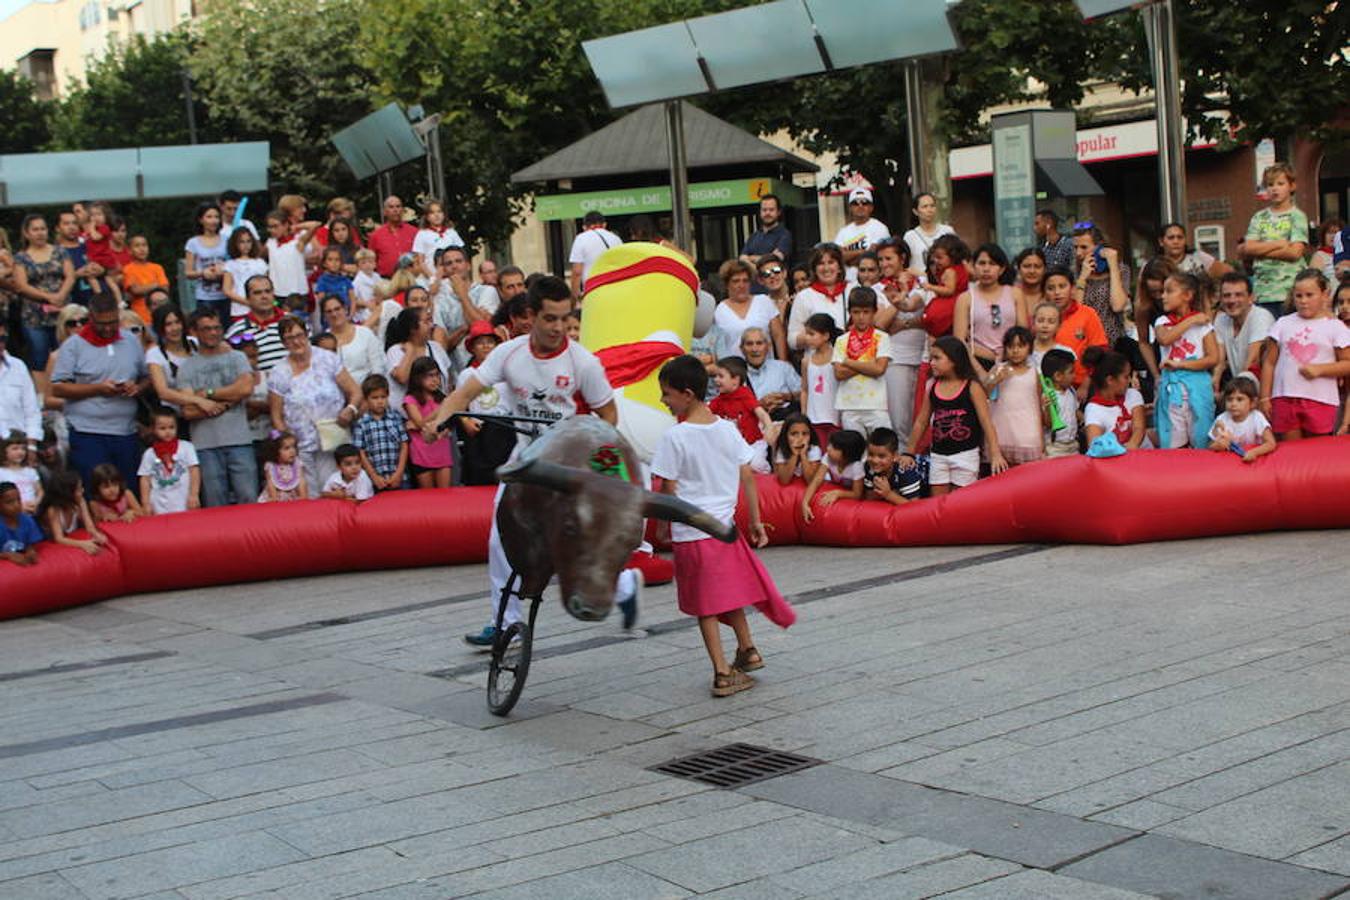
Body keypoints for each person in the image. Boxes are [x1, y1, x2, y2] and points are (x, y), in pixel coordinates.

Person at [423, 275, 639, 644]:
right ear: (531, 316)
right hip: (525, 460)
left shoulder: (583, 362)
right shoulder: (509, 354)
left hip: (569, 466)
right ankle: (504, 624)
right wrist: (440, 419)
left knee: (572, 540)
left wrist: (600, 469)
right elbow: (464, 394)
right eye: (550, 319)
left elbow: (609, 419)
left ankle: (622, 584)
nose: (559, 328)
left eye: (564, 318)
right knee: (498, 542)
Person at [651, 354, 794, 698]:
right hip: (725, 530)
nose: (663, 401)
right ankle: (747, 649)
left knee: (707, 606)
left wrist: (660, 528)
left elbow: (667, 488)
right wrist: (756, 521)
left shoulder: (676, 436)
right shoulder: (726, 429)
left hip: (692, 532)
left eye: (666, 394)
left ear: (686, 394)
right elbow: (747, 474)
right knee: (729, 593)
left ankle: (721, 672)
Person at [49, 294, 147, 488]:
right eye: (102, 323)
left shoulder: (130, 340)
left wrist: (137, 387)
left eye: (113, 322)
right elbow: (58, 387)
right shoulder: (73, 345)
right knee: (96, 492)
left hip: (126, 430)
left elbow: (146, 377)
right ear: (91, 318)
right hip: (88, 432)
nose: (109, 328)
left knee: (128, 491)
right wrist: (98, 389)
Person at [268, 316, 362, 493]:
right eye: (290, 338)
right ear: (283, 343)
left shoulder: (328, 359)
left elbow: (355, 392)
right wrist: (287, 446)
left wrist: (350, 410)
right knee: (309, 497)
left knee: (336, 492)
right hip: (300, 448)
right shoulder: (278, 372)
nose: (297, 341)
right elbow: (276, 416)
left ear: (307, 334)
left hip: (334, 442)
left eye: (300, 335)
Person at [902, 336, 1006, 495]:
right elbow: (921, 423)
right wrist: (909, 452)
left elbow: (986, 422)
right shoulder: (932, 387)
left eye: (937, 358)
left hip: (966, 455)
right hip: (938, 455)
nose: (932, 363)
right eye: (931, 358)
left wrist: (995, 453)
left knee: (961, 502)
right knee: (937, 503)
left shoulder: (972, 387)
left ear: (954, 360)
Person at [176, 307, 258, 507]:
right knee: (215, 504)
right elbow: (188, 410)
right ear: (194, 332)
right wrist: (230, 400)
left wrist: (208, 395)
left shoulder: (237, 357)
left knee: (249, 498)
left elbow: (246, 388)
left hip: (240, 439)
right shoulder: (186, 367)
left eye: (217, 328)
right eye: (206, 329)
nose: (213, 333)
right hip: (205, 445)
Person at [1260, 269, 1350, 440]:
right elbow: (1269, 363)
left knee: (1317, 454)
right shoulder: (1282, 323)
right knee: (1292, 454)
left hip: (1320, 399)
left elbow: (1347, 363)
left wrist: (1320, 370)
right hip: (1284, 397)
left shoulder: (1335, 326)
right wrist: (1265, 397)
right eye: (1299, 296)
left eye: (1310, 295)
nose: (1303, 301)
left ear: (1325, 294)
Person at [1154, 272, 1219, 449]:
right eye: (1163, 291)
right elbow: (1165, 339)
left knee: (1201, 437)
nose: (1163, 296)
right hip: (1171, 390)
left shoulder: (1203, 326)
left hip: (1197, 388)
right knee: (1173, 441)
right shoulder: (1163, 321)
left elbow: (1213, 358)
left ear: (1187, 296)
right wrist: (1191, 320)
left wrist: (1181, 364)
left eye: (1169, 291)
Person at [1242, 163, 1310, 316]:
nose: (1274, 188)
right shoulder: (1259, 217)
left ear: (1291, 186)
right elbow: (1249, 248)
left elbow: (1295, 253)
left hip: (1289, 292)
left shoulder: (1297, 216)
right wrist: (1279, 244)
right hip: (1262, 293)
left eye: (1280, 184)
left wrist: (1261, 249)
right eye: (1270, 185)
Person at [454, 320, 514, 486]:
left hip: (506, 426)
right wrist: (465, 421)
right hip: (481, 429)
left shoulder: (508, 371)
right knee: (482, 478)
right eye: (480, 343)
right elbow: (458, 403)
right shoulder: (467, 374)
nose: (486, 346)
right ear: (472, 348)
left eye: (490, 342)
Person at [11, 214, 75, 370]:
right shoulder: (20, 257)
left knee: (66, 356)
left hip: (63, 313)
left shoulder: (60, 252)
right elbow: (21, 286)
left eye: (43, 229)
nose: (40, 233)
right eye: (35, 229)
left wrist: (60, 295)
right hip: (35, 317)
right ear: (27, 233)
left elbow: (70, 276)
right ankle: (41, 393)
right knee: (40, 359)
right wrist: (48, 297)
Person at [955, 243, 1023, 380]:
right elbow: (959, 340)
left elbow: (1023, 332)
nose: (986, 269)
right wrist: (980, 372)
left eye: (992, 264)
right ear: (974, 266)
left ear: (1002, 269)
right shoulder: (965, 298)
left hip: (1012, 359)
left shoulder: (1015, 294)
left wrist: (1012, 356)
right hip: (977, 360)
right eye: (981, 263)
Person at [832, 287, 892, 436]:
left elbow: (879, 370)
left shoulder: (882, 337)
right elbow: (839, 373)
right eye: (856, 312)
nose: (861, 317)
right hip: (849, 405)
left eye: (866, 312)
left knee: (882, 446)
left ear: (874, 311)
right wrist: (868, 365)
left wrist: (848, 362)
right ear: (850, 312)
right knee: (854, 451)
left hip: (876, 405)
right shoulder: (841, 340)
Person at [1047, 266, 1108, 393]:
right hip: (1052, 388)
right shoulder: (1043, 317)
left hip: (1084, 385)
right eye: (1051, 288)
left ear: (1073, 289)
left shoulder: (1087, 314)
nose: (1057, 292)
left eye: (1062, 286)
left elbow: (1100, 350)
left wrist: (1086, 384)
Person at [988, 327, 1043, 466]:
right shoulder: (998, 369)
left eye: (1021, 346)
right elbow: (985, 394)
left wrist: (1041, 438)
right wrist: (995, 380)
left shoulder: (1035, 373)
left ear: (1029, 348)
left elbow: (1039, 405)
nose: (1015, 350)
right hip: (1001, 434)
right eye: (1011, 346)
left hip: (1027, 435)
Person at [714, 259, 786, 360]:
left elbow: (778, 335)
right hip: (734, 371)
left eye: (745, 280)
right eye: (736, 281)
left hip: (766, 369)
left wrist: (783, 363)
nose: (741, 285)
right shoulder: (719, 311)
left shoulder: (764, 301)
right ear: (727, 284)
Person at [1212, 272, 1274, 389]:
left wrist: (1231, 393)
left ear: (1251, 298)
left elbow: (1252, 363)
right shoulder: (1221, 320)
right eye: (1227, 295)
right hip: (1242, 387)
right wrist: (1214, 386)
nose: (1232, 300)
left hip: (1263, 389)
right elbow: (1219, 363)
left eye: (1238, 295)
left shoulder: (1261, 317)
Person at [1072, 223, 1130, 346]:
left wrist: (1113, 267)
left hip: (1113, 341)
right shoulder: (1074, 273)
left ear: (1100, 247)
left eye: (1084, 247)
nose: (1078, 253)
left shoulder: (1121, 270)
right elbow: (1074, 310)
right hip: (1084, 341)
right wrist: (1082, 277)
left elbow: (1118, 305)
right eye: (1075, 247)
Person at [385, 306, 452, 410]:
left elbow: (448, 381)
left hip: (437, 414)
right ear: (412, 328)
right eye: (426, 322)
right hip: (406, 418)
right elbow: (402, 378)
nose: (432, 326)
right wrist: (410, 352)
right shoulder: (395, 351)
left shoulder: (436, 347)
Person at [787, 244, 853, 350]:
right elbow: (792, 340)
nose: (826, 268)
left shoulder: (853, 290)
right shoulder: (804, 297)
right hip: (818, 361)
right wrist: (814, 337)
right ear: (814, 269)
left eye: (831, 262)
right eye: (821, 263)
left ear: (840, 267)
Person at [402, 356, 453, 488]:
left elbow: (447, 424)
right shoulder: (410, 399)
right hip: (421, 453)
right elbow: (420, 424)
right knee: (427, 497)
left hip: (442, 451)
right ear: (417, 378)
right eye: (429, 376)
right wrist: (442, 409)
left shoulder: (442, 398)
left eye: (437, 375)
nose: (435, 379)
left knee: (445, 495)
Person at [137, 407, 200, 514]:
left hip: (184, 502)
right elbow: (145, 479)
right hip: (159, 505)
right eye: (162, 428)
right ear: (153, 429)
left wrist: (194, 494)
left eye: (171, 427)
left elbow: (194, 471)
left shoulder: (187, 447)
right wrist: (146, 503)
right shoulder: (149, 453)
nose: (168, 431)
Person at [1083, 347, 1147, 450]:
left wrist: (1132, 444)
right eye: (1126, 377)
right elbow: (1094, 445)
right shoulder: (1093, 409)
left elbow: (1139, 428)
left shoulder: (1133, 395)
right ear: (1110, 380)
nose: (1129, 380)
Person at [352, 374, 407, 492]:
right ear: (366, 400)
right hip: (374, 481)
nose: (380, 401)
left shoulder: (396, 418)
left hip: (399, 478)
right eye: (375, 398)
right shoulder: (361, 423)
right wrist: (374, 476)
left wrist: (399, 473)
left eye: (383, 397)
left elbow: (404, 445)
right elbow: (360, 452)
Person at [800, 429, 866, 521]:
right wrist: (805, 502)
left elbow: (857, 494)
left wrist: (838, 493)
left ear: (847, 454)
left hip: (849, 492)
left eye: (834, 447)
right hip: (836, 484)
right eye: (830, 444)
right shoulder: (828, 457)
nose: (828, 448)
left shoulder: (856, 466)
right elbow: (817, 480)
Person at [263, 211, 319, 317]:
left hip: (298, 294)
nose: (272, 230)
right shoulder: (270, 243)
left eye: (276, 226)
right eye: (270, 227)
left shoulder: (297, 242)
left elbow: (315, 225)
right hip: (278, 294)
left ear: (285, 225)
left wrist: (296, 227)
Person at [225, 276, 287, 372]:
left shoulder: (293, 322)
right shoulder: (236, 331)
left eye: (268, 291)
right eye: (257, 293)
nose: (264, 297)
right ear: (248, 298)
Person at [322, 295, 384, 388]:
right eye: (329, 311)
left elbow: (377, 367)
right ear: (324, 316)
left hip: (367, 392)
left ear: (346, 309)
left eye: (337, 309)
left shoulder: (365, 333)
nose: (334, 314)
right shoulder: (323, 341)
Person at [1207, 379, 1276, 463]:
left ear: (1253, 403)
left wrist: (1254, 452)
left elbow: (1271, 443)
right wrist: (1218, 445)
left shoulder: (1256, 417)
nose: (1233, 404)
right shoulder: (1222, 418)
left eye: (1239, 399)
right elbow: (1210, 445)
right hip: (1229, 462)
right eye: (1229, 399)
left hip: (1252, 461)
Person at [39, 469, 105, 554]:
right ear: (67, 493)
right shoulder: (53, 510)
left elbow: (89, 526)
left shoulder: (81, 501)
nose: (83, 491)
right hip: (52, 545)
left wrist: (97, 535)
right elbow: (59, 538)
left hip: (71, 538)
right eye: (79, 489)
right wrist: (82, 544)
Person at [183, 202, 230, 324]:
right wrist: (203, 273)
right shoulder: (193, 243)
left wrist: (224, 270)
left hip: (226, 293)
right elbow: (188, 273)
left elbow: (234, 263)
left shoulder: (227, 240)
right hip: (204, 296)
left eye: (216, 217)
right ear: (201, 220)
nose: (213, 221)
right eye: (209, 217)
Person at [799, 313, 841, 448]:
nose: (807, 338)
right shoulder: (806, 361)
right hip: (814, 418)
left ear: (826, 336)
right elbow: (805, 389)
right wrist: (804, 414)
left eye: (812, 334)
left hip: (835, 416)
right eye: (806, 333)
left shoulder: (837, 358)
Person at [740, 327, 800, 420]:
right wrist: (759, 405)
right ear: (742, 349)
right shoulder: (736, 373)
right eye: (749, 344)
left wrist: (785, 397)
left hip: (784, 422)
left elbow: (804, 394)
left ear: (768, 346)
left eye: (759, 343)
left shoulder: (783, 368)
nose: (755, 349)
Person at [0, 319, 42, 449]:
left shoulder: (18, 366)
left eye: (2, 338)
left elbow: (32, 411)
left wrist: (31, 447)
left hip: (18, 449)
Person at [710, 356, 770, 446]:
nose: (716, 379)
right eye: (715, 376)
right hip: (730, 447)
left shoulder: (745, 394)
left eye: (721, 376)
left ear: (735, 381)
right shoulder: (718, 400)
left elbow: (760, 412)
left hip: (753, 445)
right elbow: (704, 413)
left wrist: (769, 426)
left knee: (757, 459)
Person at [919, 233, 969, 340]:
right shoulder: (961, 268)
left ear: (953, 257)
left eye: (940, 257)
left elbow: (949, 290)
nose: (936, 261)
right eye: (935, 257)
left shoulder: (950, 272)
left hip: (950, 309)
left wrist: (930, 287)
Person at [834, 187, 890, 281]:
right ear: (850, 208)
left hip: (873, 281)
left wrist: (849, 260)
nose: (860, 206)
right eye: (855, 203)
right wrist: (861, 252)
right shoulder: (843, 231)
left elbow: (872, 255)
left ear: (871, 207)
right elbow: (838, 257)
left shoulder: (879, 227)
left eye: (864, 203)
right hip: (848, 282)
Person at [862, 427, 923, 505]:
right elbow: (870, 498)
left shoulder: (906, 471)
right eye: (871, 454)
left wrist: (888, 494)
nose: (875, 461)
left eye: (881, 456)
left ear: (895, 456)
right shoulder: (868, 466)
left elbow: (914, 507)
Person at [568, 210, 622, 297]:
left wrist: (574, 298)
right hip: (615, 288)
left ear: (584, 227)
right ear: (604, 225)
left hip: (593, 289)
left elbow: (577, 271)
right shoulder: (616, 239)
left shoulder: (581, 239)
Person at [120, 235, 169, 326]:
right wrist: (155, 285)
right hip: (141, 317)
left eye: (144, 245)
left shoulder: (157, 268)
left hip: (162, 315)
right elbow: (135, 290)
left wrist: (145, 288)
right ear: (130, 251)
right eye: (137, 246)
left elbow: (165, 290)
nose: (142, 249)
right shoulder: (128, 269)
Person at [903, 192, 956, 276]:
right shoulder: (910, 236)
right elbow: (906, 265)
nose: (929, 210)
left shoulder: (948, 231)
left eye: (932, 206)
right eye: (925, 206)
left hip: (945, 283)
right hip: (920, 284)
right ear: (915, 211)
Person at [740, 194, 793, 276]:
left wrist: (752, 258)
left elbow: (774, 259)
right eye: (764, 210)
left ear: (778, 212)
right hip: (754, 287)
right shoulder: (753, 236)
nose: (767, 213)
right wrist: (762, 271)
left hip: (775, 285)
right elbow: (742, 259)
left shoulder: (784, 235)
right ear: (760, 212)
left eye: (771, 210)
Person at [1158, 222, 1230, 281]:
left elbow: (1228, 273)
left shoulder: (1199, 257)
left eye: (1180, 237)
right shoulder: (1156, 265)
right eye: (1171, 238)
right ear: (1161, 241)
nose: (1176, 241)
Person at [1040, 349, 1079, 457]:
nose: (1074, 376)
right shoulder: (1047, 395)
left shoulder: (1071, 391)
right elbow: (1048, 424)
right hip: (1055, 447)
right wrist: (1048, 408)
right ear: (1058, 376)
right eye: (1071, 372)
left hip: (1073, 444)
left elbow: (1075, 411)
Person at [412, 200, 465, 279]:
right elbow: (420, 262)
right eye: (432, 213)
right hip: (432, 277)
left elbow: (462, 254)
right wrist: (432, 278)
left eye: (439, 211)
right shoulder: (422, 234)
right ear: (427, 217)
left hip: (453, 277)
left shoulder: (451, 232)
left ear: (444, 214)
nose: (436, 215)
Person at [770, 413, 821, 485]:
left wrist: (803, 455)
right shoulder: (782, 449)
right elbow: (784, 481)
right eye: (794, 434)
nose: (800, 438)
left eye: (804, 433)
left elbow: (810, 481)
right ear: (786, 435)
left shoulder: (814, 449)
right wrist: (794, 454)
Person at [0, 480, 42, 566]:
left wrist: (30, 551)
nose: (16, 505)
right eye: (9, 502)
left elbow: (31, 543)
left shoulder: (27, 521)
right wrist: (8, 555)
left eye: (18, 499)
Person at [258, 429, 307, 502]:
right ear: (275, 451)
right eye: (287, 448)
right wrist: (274, 498)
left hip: (292, 498)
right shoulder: (270, 466)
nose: (292, 451)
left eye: (293, 447)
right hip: (276, 497)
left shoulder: (298, 463)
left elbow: (301, 480)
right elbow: (270, 482)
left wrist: (303, 496)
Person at [313, 247, 356, 326]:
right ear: (324, 263)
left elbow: (353, 300)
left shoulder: (345, 280)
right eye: (330, 260)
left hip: (347, 318)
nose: (334, 263)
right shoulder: (322, 281)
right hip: (330, 321)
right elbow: (322, 303)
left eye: (337, 260)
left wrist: (350, 316)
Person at [1, 429, 41, 512]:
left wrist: (36, 503)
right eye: (15, 449)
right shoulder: (2, 472)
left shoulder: (30, 471)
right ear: (4, 451)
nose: (20, 452)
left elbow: (40, 491)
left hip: (32, 510)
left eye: (23, 448)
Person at [1034, 209, 1075, 273]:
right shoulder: (1041, 247)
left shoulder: (1068, 244)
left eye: (1037, 224)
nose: (1035, 228)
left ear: (1049, 223)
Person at [350, 248, 382, 323]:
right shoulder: (357, 281)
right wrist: (366, 303)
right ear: (358, 266)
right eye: (363, 263)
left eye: (370, 262)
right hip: (364, 312)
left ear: (375, 264)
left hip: (377, 306)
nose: (367, 265)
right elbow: (353, 299)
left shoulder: (377, 277)